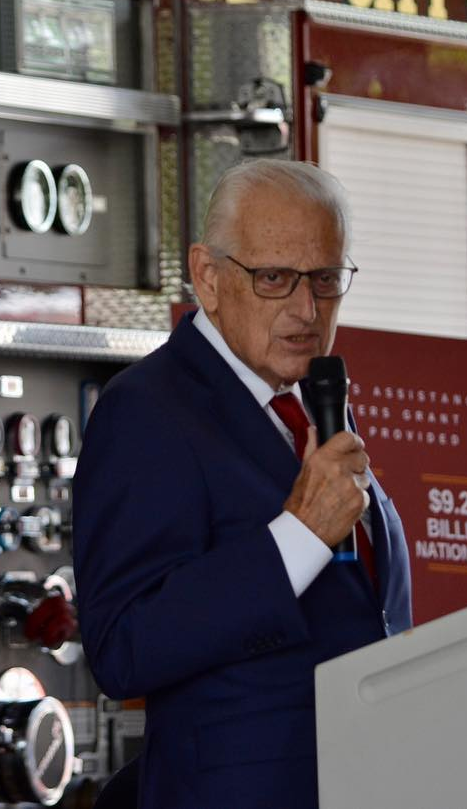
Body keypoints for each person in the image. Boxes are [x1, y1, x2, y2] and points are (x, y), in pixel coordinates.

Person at [73, 159, 413, 809]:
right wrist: (299, 535)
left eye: (326, 279)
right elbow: (123, 646)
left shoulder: (317, 399)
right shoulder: (147, 410)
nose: (307, 309)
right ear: (208, 276)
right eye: (275, 278)